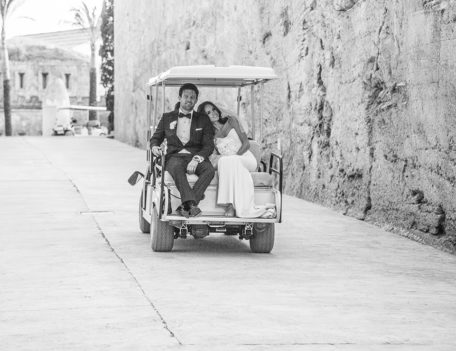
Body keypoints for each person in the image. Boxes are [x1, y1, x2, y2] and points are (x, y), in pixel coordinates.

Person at [197, 101, 275, 218]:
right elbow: (213, 154)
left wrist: (235, 157)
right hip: (231, 163)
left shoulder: (231, 120)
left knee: (229, 161)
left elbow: (246, 144)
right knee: (224, 161)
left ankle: (242, 208)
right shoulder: (210, 135)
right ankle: (229, 204)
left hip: (246, 158)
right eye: (209, 112)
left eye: (213, 109)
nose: (213, 113)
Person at [150, 84, 215, 217]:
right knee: (177, 168)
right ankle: (190, 205)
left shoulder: (203, 119)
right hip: (174, 157)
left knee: (209, 170)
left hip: (195, 156)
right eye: (186, 96)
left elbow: (209, 146)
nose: (189, 100)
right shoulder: (167, 117)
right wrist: (154, 146)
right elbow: (155, 138)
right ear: (179, 97)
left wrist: (197, 159)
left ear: (196, 100)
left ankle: (186, 206)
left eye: (192, 97)